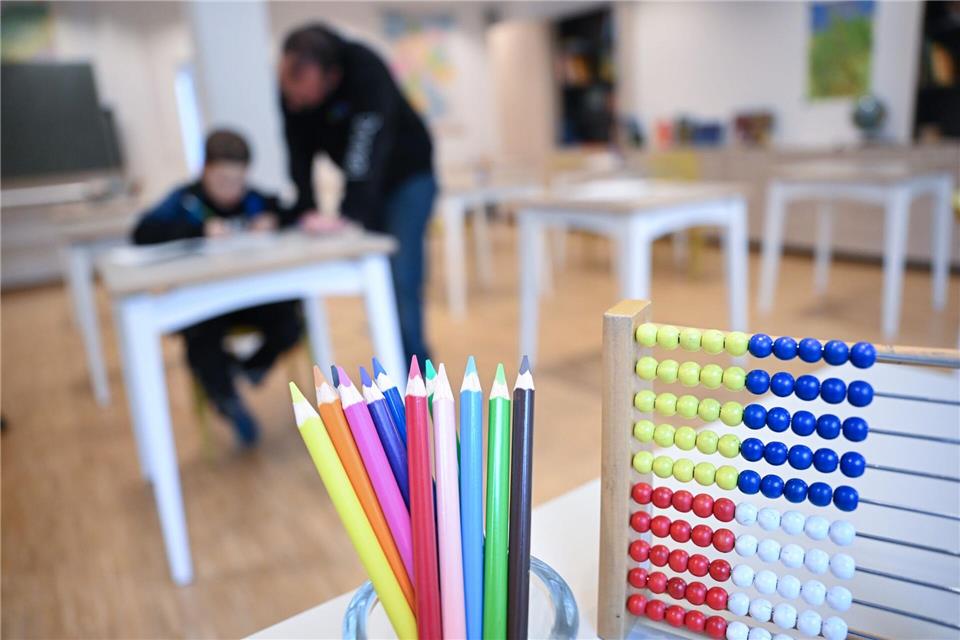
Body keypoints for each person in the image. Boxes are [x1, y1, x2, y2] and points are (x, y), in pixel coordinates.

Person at [132, 129, 302, 446]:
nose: (231, 190)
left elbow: (291, 212)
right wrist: (197, 230)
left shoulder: (254, 200)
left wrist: (273, 221)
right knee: (201, 341)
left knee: (292, 317)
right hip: (203, 305)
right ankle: (227, 400)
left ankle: (250, 367)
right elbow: (143, 233)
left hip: (251, 299)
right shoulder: (185, 201)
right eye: (222, 180)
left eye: (238, 181)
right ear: (205, 170)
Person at [279, 23, 436, 364]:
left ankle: (418, 376)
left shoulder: (364, 68)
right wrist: (306, 207)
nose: (297, 104)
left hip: (409, 176)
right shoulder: (292, 89)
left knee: (401, 276)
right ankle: (395, 364)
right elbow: (298, 152)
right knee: (380, 278)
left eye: (305, 95)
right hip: (372, 188)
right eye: (292, 96)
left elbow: (366, 143)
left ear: (332, 76)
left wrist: (350, 212)